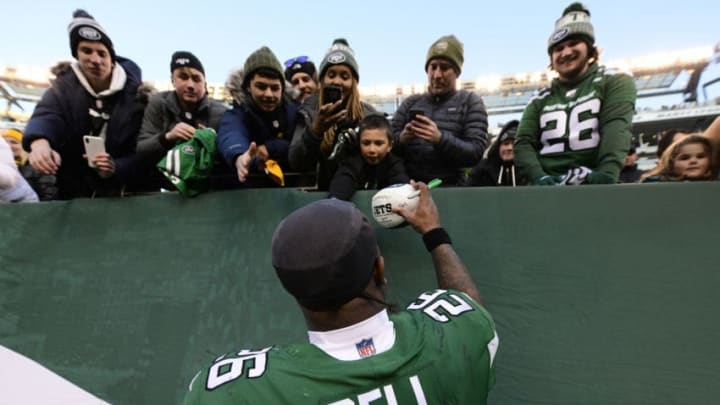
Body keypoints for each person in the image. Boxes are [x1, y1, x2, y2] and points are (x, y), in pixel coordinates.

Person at [183, 182, 498, 404]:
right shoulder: (459, 335)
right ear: (379, 269)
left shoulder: (228, 392)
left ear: (291, 289)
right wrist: (434, 233)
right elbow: (468, 306)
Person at [22, 9, 150, 199]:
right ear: (76, 54)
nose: (95, 60)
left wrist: (115, 167)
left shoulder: (136, 96)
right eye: (86, 51)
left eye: (102, 53)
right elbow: (48, 115)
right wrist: (40, 143)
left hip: (121, 193)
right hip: (71, 189)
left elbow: (141, 150)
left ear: (112, 57)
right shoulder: (64, 87)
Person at [514, 2, 637, 186]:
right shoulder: (539, 99)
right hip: (547, 189)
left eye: (573, 44)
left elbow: (616, 127)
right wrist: (539, 177)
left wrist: (606, 173)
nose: (565, 52)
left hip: (593, 186)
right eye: (558, 49)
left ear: (589, 48)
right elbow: (523, 142)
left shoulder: (615, 81)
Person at [390, 34, 488, 186]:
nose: (436, 75)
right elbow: (386, 144)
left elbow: (475, 153)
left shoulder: (470, 101)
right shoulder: (410, 103)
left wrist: (440, 139)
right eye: (433, 67)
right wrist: (402, 139)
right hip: (409, 190)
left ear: (456, 72)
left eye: (444, 67)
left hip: (451, 191)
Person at [289, 38, 377, 190]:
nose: (337, 81)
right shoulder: (308, 111)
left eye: (345, 76)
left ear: (354, 82)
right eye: (331, 75)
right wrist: (315, 131)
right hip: (318, 198)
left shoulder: (369, 115)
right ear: (322, 80)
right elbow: (296, 162)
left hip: (359, 196)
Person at [136, 51, 227, 189]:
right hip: (163, 184)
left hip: (207, 186)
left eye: (197, 79)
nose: (190, 85)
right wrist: (167, 137)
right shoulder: (158, 103)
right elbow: (141, 149)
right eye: (183, 77)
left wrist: (209, 144)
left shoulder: (220, 112)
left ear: (205, 84)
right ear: (172, 80)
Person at [216, 46, 299, 187]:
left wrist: (270, 148)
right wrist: (239, 156)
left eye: (275, 88)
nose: (269, 94)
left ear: (282, 89)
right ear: (248, 87)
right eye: (261, 87)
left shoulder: (295, 112)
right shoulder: (237, 114)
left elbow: (302, 144)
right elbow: (231, 134)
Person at [328, 113, 409, 200]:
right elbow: (342, 184)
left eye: (378, 143)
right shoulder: (352, 164)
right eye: (366, 143)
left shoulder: (395, 165)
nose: (372, 150)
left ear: (390, 146)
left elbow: (401, 189)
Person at [1, 127, 57, 200]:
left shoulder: (38, 166)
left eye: (14, 142)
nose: (8, 146)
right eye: (4, 142)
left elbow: (49, 194)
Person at [467, 120, 527, 187]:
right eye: (506, 144)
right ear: (498, 147)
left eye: (514, 144)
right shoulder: (482, 169)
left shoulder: (529, 170)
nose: (510, 148)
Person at [640, 134, 716, 182]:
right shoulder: (654, 184)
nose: (693, 161)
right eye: (685, 158)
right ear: (671, 163)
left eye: (700, 157)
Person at [1, 137, 38, 202]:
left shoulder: (35, 166)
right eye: (6, 142)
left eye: (14, 142)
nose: (9, 145)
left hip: (23, 206)